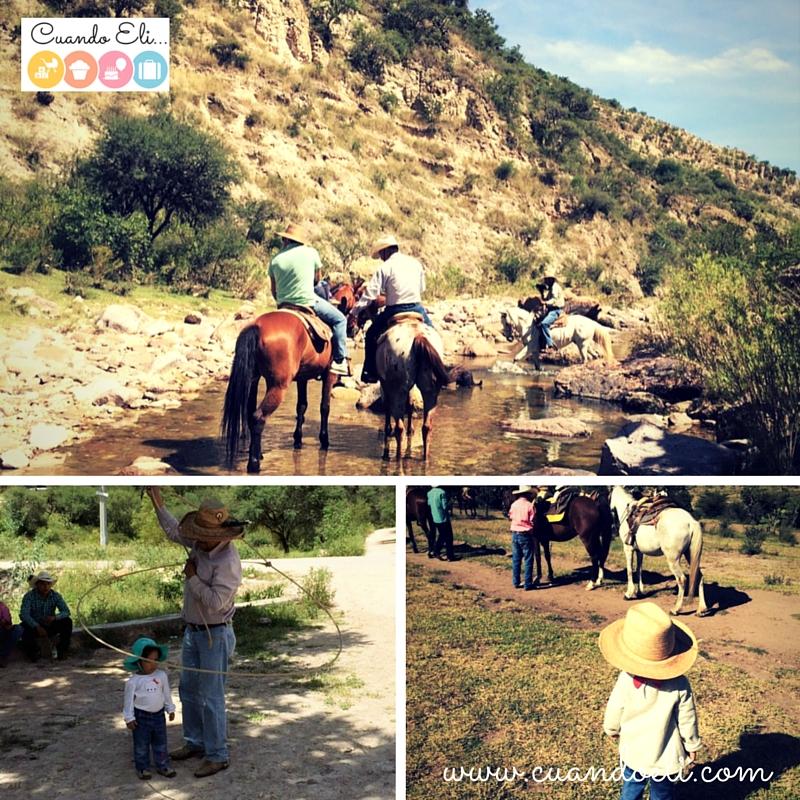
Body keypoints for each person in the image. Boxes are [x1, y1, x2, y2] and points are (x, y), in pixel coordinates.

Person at [146, 488, 245, 779]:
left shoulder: (227, 561)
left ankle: (217, 755)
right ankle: (195, 742)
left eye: (200, 533)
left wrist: (192, 578)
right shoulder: (200, 544)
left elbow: (216, 601)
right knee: (188, 689)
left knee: (212, 696)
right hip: (193, 631)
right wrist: (157, 502)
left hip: (215, 634)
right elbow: (174, 531)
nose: (195, 537)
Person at [600, 602, 701, 800]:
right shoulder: (680, 683)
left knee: (631, 788)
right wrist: (691, 744)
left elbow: (615, 708)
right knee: (662, 794)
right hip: (665, 756)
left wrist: (612, 729)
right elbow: (687, 719)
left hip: (634, 752)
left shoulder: (625, 678)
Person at [268, 223, 348, 376]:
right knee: (340, 320)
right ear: (301, 241)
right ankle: (340, 360)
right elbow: (317, 279)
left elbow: (274, 290)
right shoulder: (311, 253)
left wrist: (282, 301)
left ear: (285, 240)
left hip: (283, 304)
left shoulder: (275, 259)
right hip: (308, 301)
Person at [352, 235, 434, 384]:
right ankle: (439, 367)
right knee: (434, 333)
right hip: (417, 307)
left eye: (381, 255)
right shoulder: (415, 263)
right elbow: (422, 288)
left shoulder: (385, 267)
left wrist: (355, 311)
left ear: (385, 252)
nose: (381, 259)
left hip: (395, 309)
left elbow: (371, 294)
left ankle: (370, 372)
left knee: (371, 335)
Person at [123, 637, 177, 780]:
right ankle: (142, 768)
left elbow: (166, 693)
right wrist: (129, 717)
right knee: (141, 744)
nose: (153, 664)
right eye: (148, 661)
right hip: (141, 717)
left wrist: (170, 708)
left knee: (161, 742)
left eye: (156, 660)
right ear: (139, 661)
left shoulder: (161, 676)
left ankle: (163, 765)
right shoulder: (133, 682)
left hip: (159, 716)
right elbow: (128, 702)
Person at [19, 571, 72, 661]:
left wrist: (54, 617)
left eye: (48, 584)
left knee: (67, 622)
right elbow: (24, 614)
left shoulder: (55, 596)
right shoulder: (29, 596)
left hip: (50, 624)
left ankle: (62, 651)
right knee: (22, 627)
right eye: (43, 584)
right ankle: (33, 652)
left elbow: (66, 611)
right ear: (37, 584)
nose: (46, 587)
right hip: (34, 626)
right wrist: (36, 626)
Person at [508, 486, 537, 590]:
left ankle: (516, 582)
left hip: (514, 533)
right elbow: (532, 520)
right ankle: (528, 584)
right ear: (528, 494)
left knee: (516, 559)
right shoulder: (530, 505)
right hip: (525, 534)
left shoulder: (514, 504)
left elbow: (510, 516)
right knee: (528, 559)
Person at [535, 271, 565, 350]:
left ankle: (549, 344)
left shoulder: (555, 287)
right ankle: (541, 345)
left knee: (544, 324)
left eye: (546, 280)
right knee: (537, 322)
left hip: (555, 310)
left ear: (551, 280)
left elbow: (553, 300)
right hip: (551, 309)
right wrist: (541, 293)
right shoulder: (551, 288)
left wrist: (545, 302)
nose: (545, 282)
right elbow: (547, 299)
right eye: (545, 280)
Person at [427, 486, 457, 561]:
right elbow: (445, 506)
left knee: (442, 535)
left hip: (435, 518)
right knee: (449, 537)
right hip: (444, 518)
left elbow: (429, 504)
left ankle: (435, 551)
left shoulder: (429, 493)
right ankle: (450, 556)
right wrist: (451, 503)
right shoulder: (442, 492)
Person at [0, 600, 22, 667]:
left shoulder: (2, 606)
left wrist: (5, 623)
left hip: (3, 630)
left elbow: (8, 622)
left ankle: (2, 656)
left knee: (18, 629)